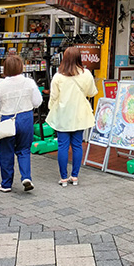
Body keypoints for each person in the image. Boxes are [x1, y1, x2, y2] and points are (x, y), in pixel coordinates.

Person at [0, 55, 42, 193]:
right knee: (24, 150)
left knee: (6, 152)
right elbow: (37, 101)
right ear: (21, 67)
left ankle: (6, 184)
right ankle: (26, 177)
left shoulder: (1, 85)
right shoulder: (29, 82)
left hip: (7, 119)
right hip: (26, 118)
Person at [47, 46, 97, 187]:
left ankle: (63, 178)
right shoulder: (86, 74)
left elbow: (54, 97)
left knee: (62, 146)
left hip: (63, 115)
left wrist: (51, 108)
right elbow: (92, 92)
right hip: (79, 114)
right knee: (77, 145)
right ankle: (74, 176)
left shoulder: (58, 76)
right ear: (78, 58)